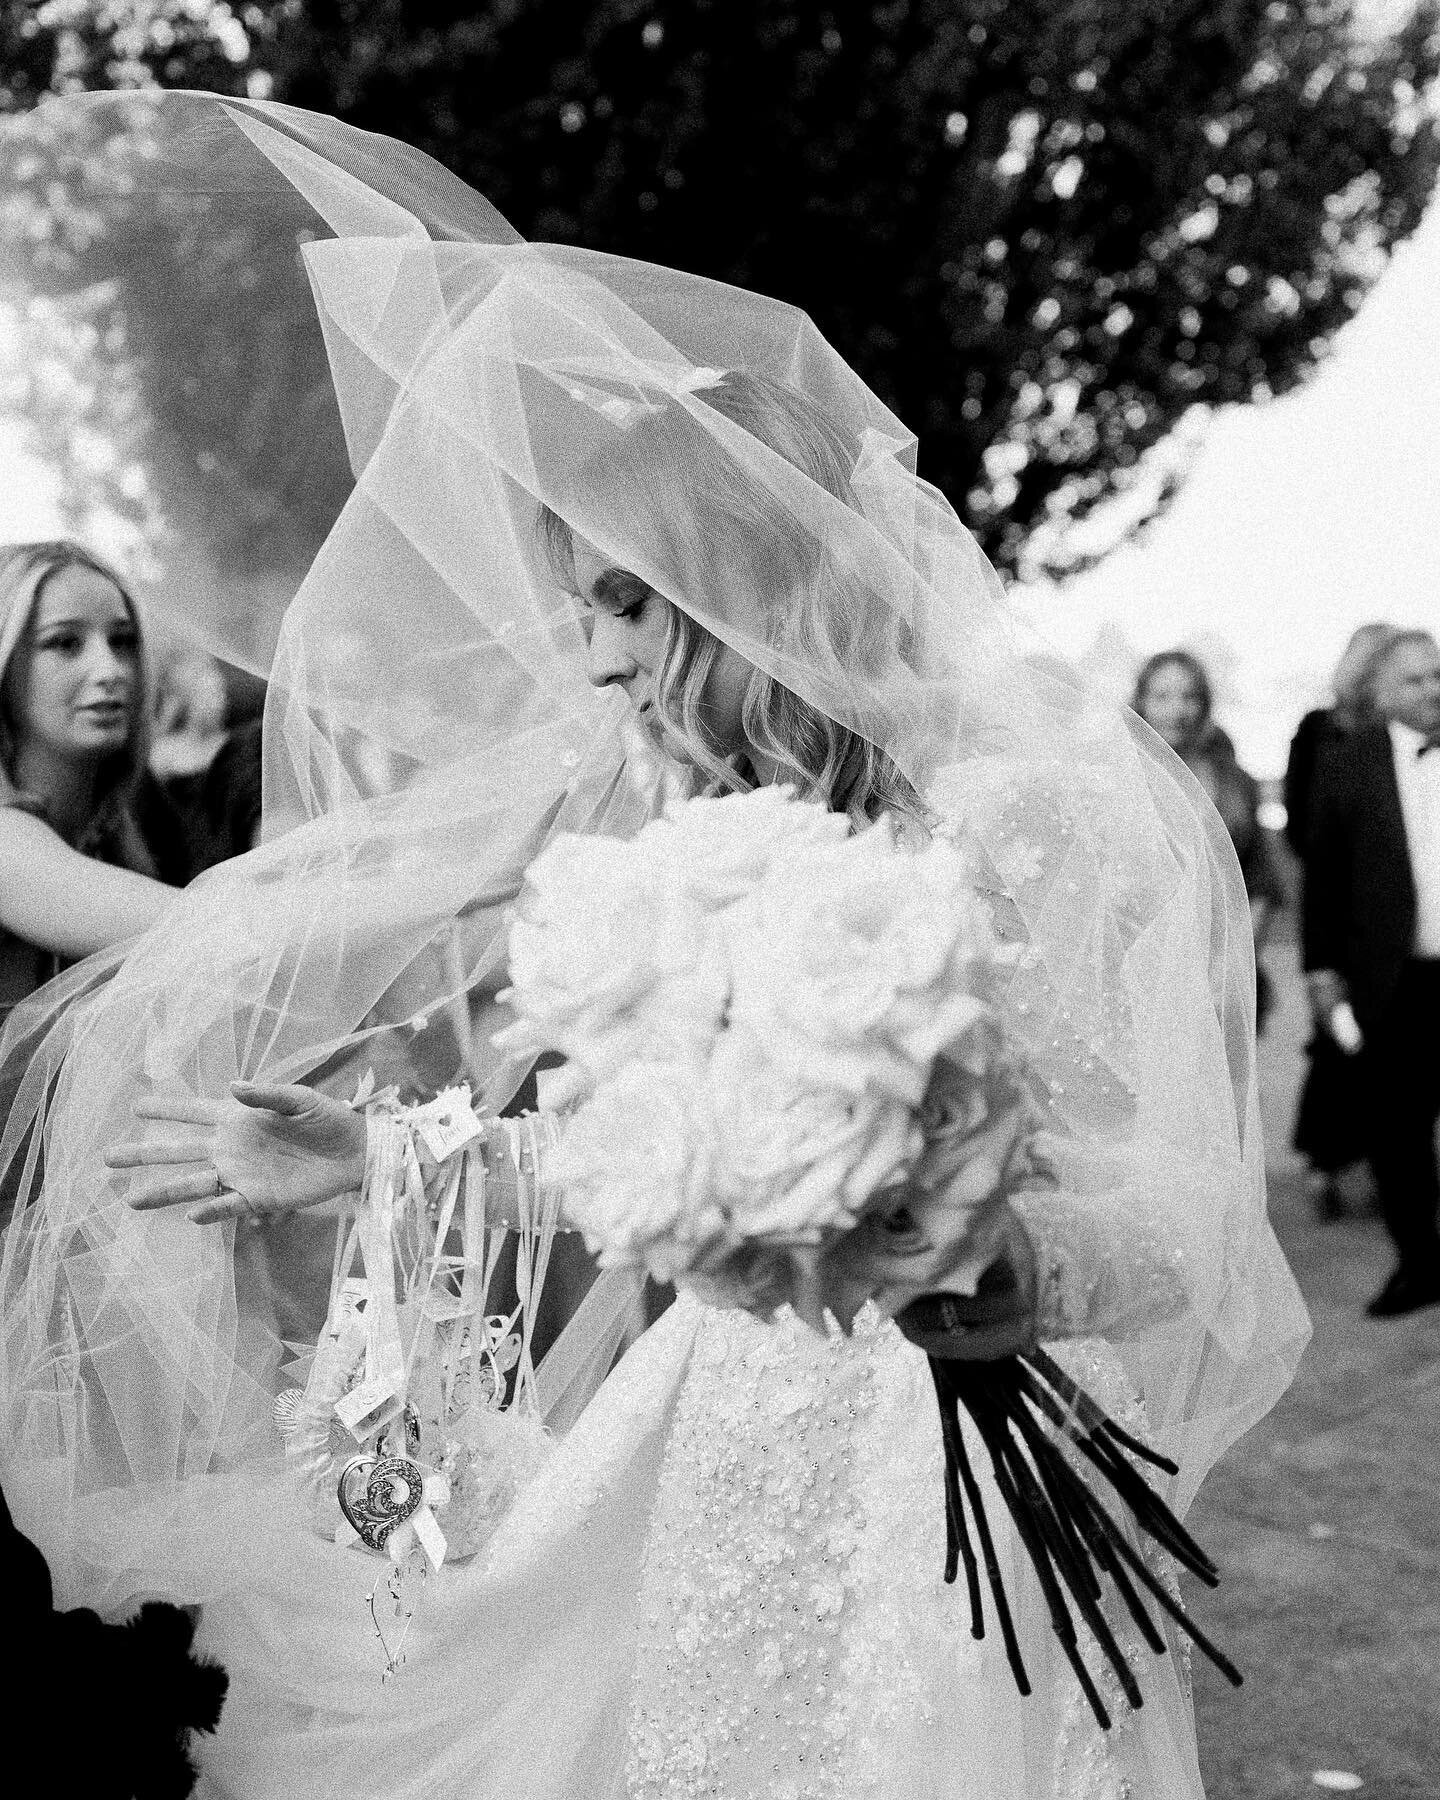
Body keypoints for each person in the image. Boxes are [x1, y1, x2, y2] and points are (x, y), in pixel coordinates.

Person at [0, 94, 1307, 1800]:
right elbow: (657, 1175)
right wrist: (372, 1158)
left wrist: (1004, 1271)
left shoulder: (1018, 820)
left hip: (939, 1460)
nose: (590, 658)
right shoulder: (680, 863)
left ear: (727, 588)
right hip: (728, 1436)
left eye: (615, 601)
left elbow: (1181, 1215)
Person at [1303, 629, 1440, 1317]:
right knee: (1399, 1130)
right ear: (1381, 694)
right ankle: (1420, 1260)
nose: (1433, 689)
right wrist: (1322, 973)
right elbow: (1323, 882)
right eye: (1414, 680)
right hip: (1395, 981)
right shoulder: (1348, 765)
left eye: (1438, 674)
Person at [0, 540, 176, 1019]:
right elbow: (200, 927)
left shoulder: (113, 830)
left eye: (122, 641)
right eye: (64, 643)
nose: (110, 670)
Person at [1285, 624, 1394, 1215]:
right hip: (1338, 911)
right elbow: (1302, 826)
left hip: (1396, 919)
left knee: (1396, 1042)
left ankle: (1388, 1158)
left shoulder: (1407, 739)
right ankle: (1324, 1157)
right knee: (1336, 1037)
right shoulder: (1319, 731)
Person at [1131, 649, 1285, 1031]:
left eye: (1189, 696)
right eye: (1163, 696)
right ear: (1142, 702)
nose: (1177, 710)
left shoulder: (1234, 781)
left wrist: (1230, 972)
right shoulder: (1119, 780)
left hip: (1223, 965)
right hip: (1143, 970)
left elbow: (1259, 883)